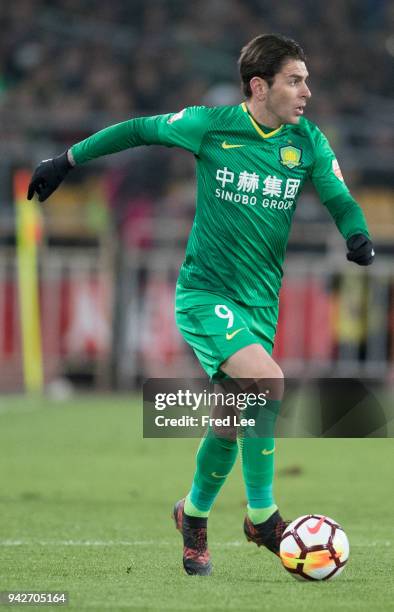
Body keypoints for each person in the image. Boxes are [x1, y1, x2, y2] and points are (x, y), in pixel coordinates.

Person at [28, 34, 374, 576]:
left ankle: (192, 515)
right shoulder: (211, 126)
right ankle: (263, 517)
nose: (307, 90)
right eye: (295, 80)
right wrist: (69, 159)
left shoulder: (306, 141)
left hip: (260, 303)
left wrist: (356, 234)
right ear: (260, 86)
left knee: (232, 419)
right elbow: (140, 129)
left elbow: (337, 195)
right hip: (205, 295)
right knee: (269, 381)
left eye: (306, 79)